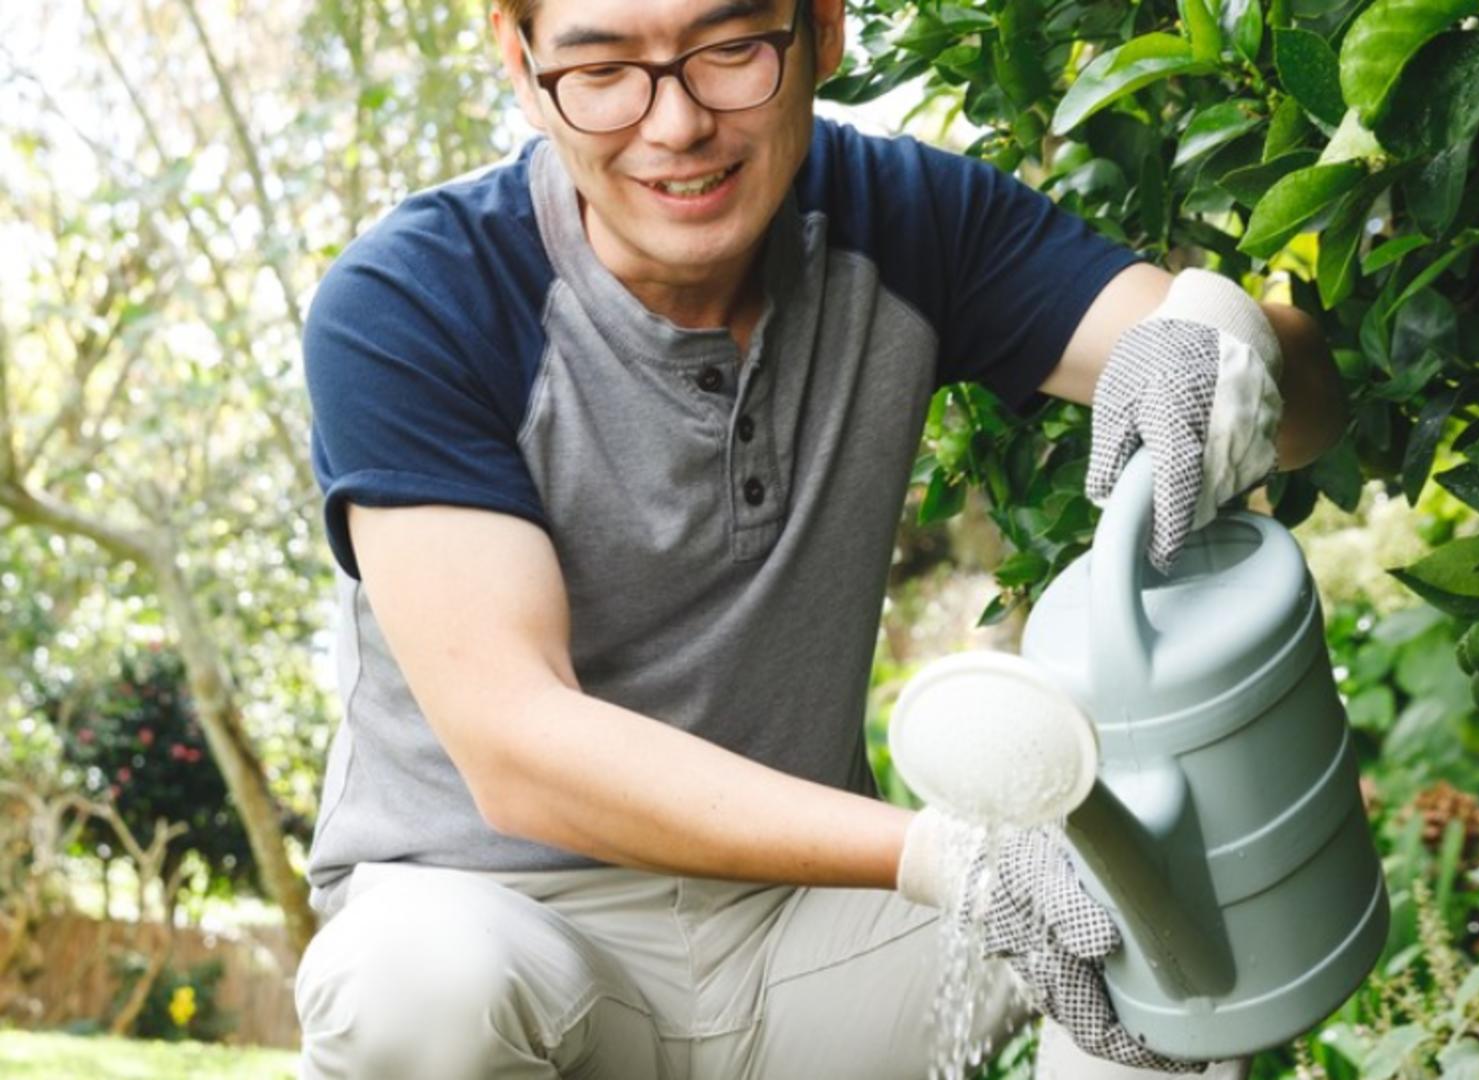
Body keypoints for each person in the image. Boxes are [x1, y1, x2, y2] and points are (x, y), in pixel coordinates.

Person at [291, 0, 1348, 1076]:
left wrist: (1224, 338)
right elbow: (521, 750)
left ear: (824, 30)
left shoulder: (903, 221)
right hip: (505, 925)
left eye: (730, 49)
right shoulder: (417, 300)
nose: (676, 125)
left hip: (811, 933)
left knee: (1158, 928)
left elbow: (1307, 418)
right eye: (604, 69)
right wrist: (948, 853)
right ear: (520, 66)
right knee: (417, 988)